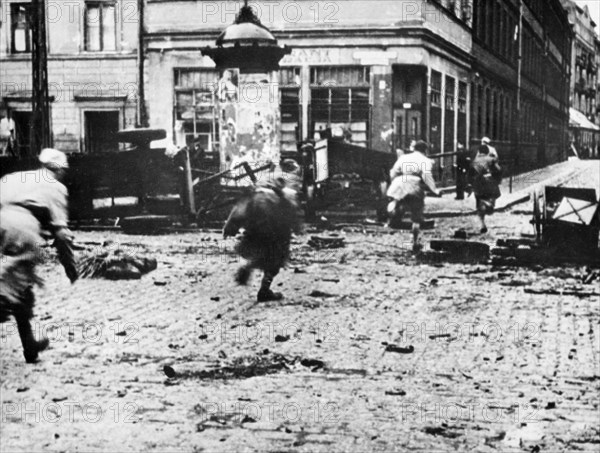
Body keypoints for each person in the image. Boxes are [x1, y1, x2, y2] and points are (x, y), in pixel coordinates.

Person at [0, 148, 78, 363]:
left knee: (21, 287)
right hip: (22, 227)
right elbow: (61, 234)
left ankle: (29, 345)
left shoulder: (15, 177)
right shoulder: (56, 187)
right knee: (14, 286)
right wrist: (69, 265)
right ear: (60, 170)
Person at [223, 161, 303, 302]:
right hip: (272, 210)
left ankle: (250, 266)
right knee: (277, 254)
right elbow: (290, 203)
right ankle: (264, 289)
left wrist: (231, 225)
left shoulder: (266, 177)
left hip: (256, 208)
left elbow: (245, 202)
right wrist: (297, 225)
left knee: (259, 245)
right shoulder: (291, 179)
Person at [386, 140, 441, 253]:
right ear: (425, 150)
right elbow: (427, 177)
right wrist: (435, 190)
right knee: (416, 214)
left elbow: (393, 172)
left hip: (401, 182)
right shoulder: (425, 160)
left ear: (414, 148)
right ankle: (415, 242)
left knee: (398, 202)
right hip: (414, 184)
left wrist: (394, 182)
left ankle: (393, 212)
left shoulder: (403, 158)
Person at [469, 143, 503, 234]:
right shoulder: (491, 159)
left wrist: (471, 186)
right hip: (489, 183)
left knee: (479, 207)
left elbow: (470, 175)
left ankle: (482, 224)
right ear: (487, 151)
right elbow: (498, 170)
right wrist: (498, 180)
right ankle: (489, 204)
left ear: (479, 152)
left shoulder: (474, 161)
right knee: (493, 196)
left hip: (477, 185)